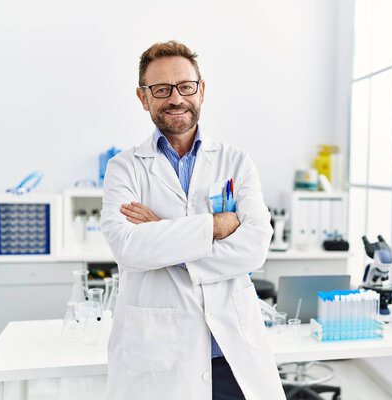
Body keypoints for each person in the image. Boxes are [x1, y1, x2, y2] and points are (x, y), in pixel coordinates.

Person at [101, 40, 285, 400]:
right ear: (143, 98)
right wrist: (213, 228)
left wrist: (162, 235)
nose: (176, 98)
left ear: (201, 91)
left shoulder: (236, 161)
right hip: (160, 360)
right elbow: (128, 248)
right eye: (161, 89)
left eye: (185, 86)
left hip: (232, 351)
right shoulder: (124, 167)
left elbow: (254, 247)